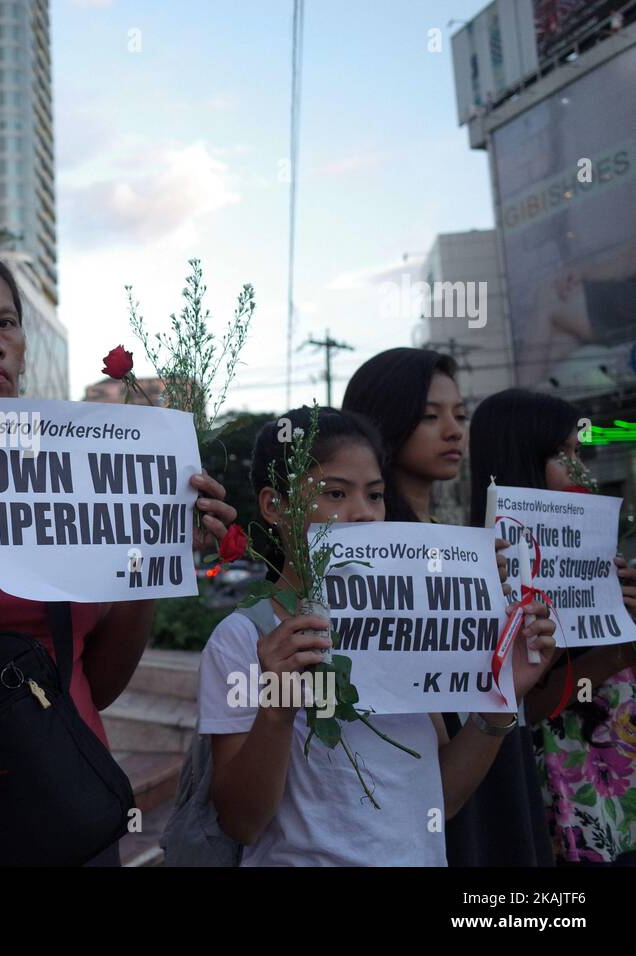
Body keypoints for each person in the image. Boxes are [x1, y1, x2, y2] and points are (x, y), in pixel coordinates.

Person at [0, 250, 238, 865]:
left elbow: (96, 684)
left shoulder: (84, 479)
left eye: (6, 323)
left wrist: (153, 551)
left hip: (61, 810)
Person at [197, 405, 557, 865]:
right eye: (335, 493)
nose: (364, 514)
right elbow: (240, 822)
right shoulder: (243, 640)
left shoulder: (405, 622)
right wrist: (277, 710)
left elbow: (440, 799)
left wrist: (504, 697)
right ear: (274, 506)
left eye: (375, 495)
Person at [469, 388, 636, 865]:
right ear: (521, 458)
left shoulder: (603, 556)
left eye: (579, 453)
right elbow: (531, 706)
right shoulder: (491, 573)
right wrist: (619, 652)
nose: (578, 469)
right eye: (562, 455)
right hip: (570, 801)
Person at [341, 348, 466, 523]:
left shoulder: (450, 537)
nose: (455, 432)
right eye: (430, 416)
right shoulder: (361, 538)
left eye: (460, 416)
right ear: (383, 419)